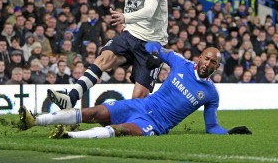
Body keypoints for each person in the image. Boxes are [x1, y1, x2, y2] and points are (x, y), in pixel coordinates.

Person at [19, 43, 252, 138]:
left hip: (157, 124)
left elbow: (211, 126)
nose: (207, 64)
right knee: (94, 112)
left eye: (213, 63)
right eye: (206, 58)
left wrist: (228, 133)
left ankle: (68, 135)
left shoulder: (211, 94)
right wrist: (153, 57)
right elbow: (153, 46)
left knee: (119, 130)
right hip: (142, 105)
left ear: (216, 67)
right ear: (200, 57)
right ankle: (35, 121)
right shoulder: (180, 62)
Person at [47, 0, 169, 109]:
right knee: (103, 58)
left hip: (152, 44)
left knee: (139, 95)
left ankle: (135, 123)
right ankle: (71, 98)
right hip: (131, 34)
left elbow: (149, 11)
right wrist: (127, 24)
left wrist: (125, 18)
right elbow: (133, 5)